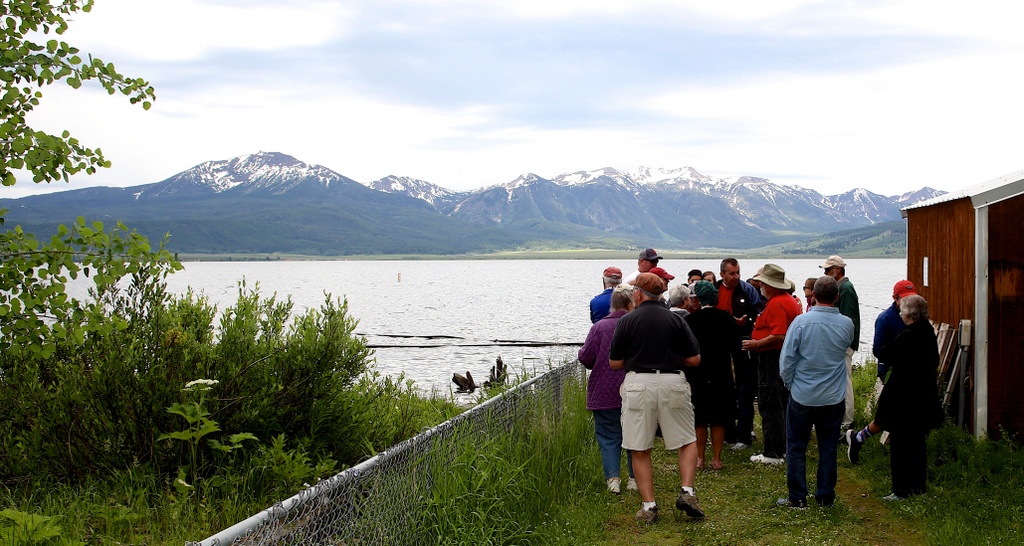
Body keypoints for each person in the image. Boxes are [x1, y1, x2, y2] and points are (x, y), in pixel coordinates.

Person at [609, 273, 705, 523]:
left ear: (638, 294)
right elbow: (694, 359)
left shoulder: (627, 321)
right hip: (673, 381)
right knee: (686, 439)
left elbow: (614, 362)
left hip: (638, 383)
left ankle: (649, 506)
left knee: (639, 446)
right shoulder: (675, 319)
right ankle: (687, 491)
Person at [847, 295, 943, 501]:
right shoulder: (928, 331)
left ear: (908, 314)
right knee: (917, 444)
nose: (900, 314)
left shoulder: (908, 336)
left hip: (904, 396)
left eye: (902, 311)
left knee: (900, 445)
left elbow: (885, 353)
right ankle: (918, 486)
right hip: (924, 394)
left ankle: (901, 490)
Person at [778, 276, 854, 508]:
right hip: (833, 396)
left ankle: (797, 497)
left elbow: (787, 360)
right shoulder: (847, 324)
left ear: (813, 296)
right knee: (828, 448)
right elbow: (845, 349)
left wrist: (791, 384)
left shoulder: (801, 322)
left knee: (796, 446)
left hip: (803, 393)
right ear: (837, 297)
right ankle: (825, 496)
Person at [578, 285, 637, 494]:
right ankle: (634, 478)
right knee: (634, 434)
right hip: (634, 388)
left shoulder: (599, 327)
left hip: (603, 390)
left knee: (608, 436)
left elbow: (586, 358)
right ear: (631, 303)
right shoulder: (636, 325)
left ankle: (613, 480)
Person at [741, 263, 801, 464]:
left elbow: (778, 334)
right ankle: (781, 446)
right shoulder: (788, 300)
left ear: (770, 285)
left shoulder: (776, 303)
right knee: (781, 400)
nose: (760, 287)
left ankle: (773, 452)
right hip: (781, 358)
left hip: (771, 358)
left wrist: (755, 344)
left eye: (762, 284)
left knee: (769, 401)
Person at [685, 281, 740, 471]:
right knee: (718, 418)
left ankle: (700, 458)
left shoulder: (691, 320)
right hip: (721, 372)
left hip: (697, 373)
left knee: (699, 419)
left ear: (698, 299)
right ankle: (716, 459)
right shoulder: (726, 319)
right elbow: (735, 347)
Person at [714, 258, 762, 450]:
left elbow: (758, 313)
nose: (736, 277)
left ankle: (744, 435)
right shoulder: (715, 290)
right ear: (722, 274)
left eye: (738, 272)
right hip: (720, 346)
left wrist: (746, 322)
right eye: (732, 273)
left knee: (745, 390)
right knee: (723, 389)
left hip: (743, 344)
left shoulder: (747, 290)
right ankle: (727, 433)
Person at [820, 255, 860, 432]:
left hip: (844, 344)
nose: (825, 273)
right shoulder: (842, 288)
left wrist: (842, 343)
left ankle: (847, 420)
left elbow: (848, 320)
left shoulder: (846, 289)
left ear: (837, 270)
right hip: (841, 343)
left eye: (828, 270)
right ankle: (841, 417)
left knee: (844, 381)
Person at [873, 280, 917, 383]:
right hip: (891, 369)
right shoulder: (885, 319)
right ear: (895, 298)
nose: (910, 302)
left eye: (912, 298)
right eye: (906, 299)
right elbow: (878, 350)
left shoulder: (917, 316)